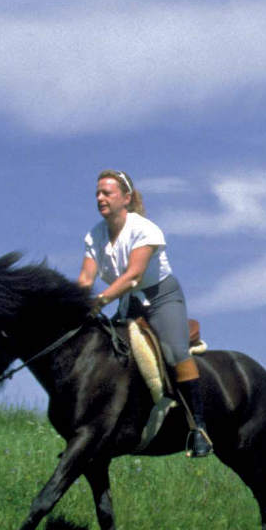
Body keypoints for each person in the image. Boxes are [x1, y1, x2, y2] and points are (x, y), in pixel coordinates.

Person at [77, 170, 212, 457]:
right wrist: (73, 304)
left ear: (125, 198)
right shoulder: (95, 235)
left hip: (161, 297)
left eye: (107, 193)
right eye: (98, 193)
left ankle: (197, 429)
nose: (100, 198)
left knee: (175, 352)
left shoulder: (145, 229)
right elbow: (85, 279)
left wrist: (100, 301)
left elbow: (134, 276)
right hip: (127, 302)